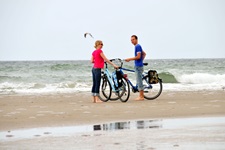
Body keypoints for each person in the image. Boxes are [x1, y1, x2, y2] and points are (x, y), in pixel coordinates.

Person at [125, 35, 146, 101]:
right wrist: (141, 61)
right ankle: (141, 95)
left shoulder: (137, 46)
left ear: (136, 39)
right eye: (131, 40)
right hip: (139, 65)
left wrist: (129, 59)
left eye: (133, 39)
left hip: (138, 66)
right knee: (139, 80)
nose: (132, 41)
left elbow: (138, 56)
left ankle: (141, 96)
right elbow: (144, 54)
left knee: (139, 81)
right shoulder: (137, 46)